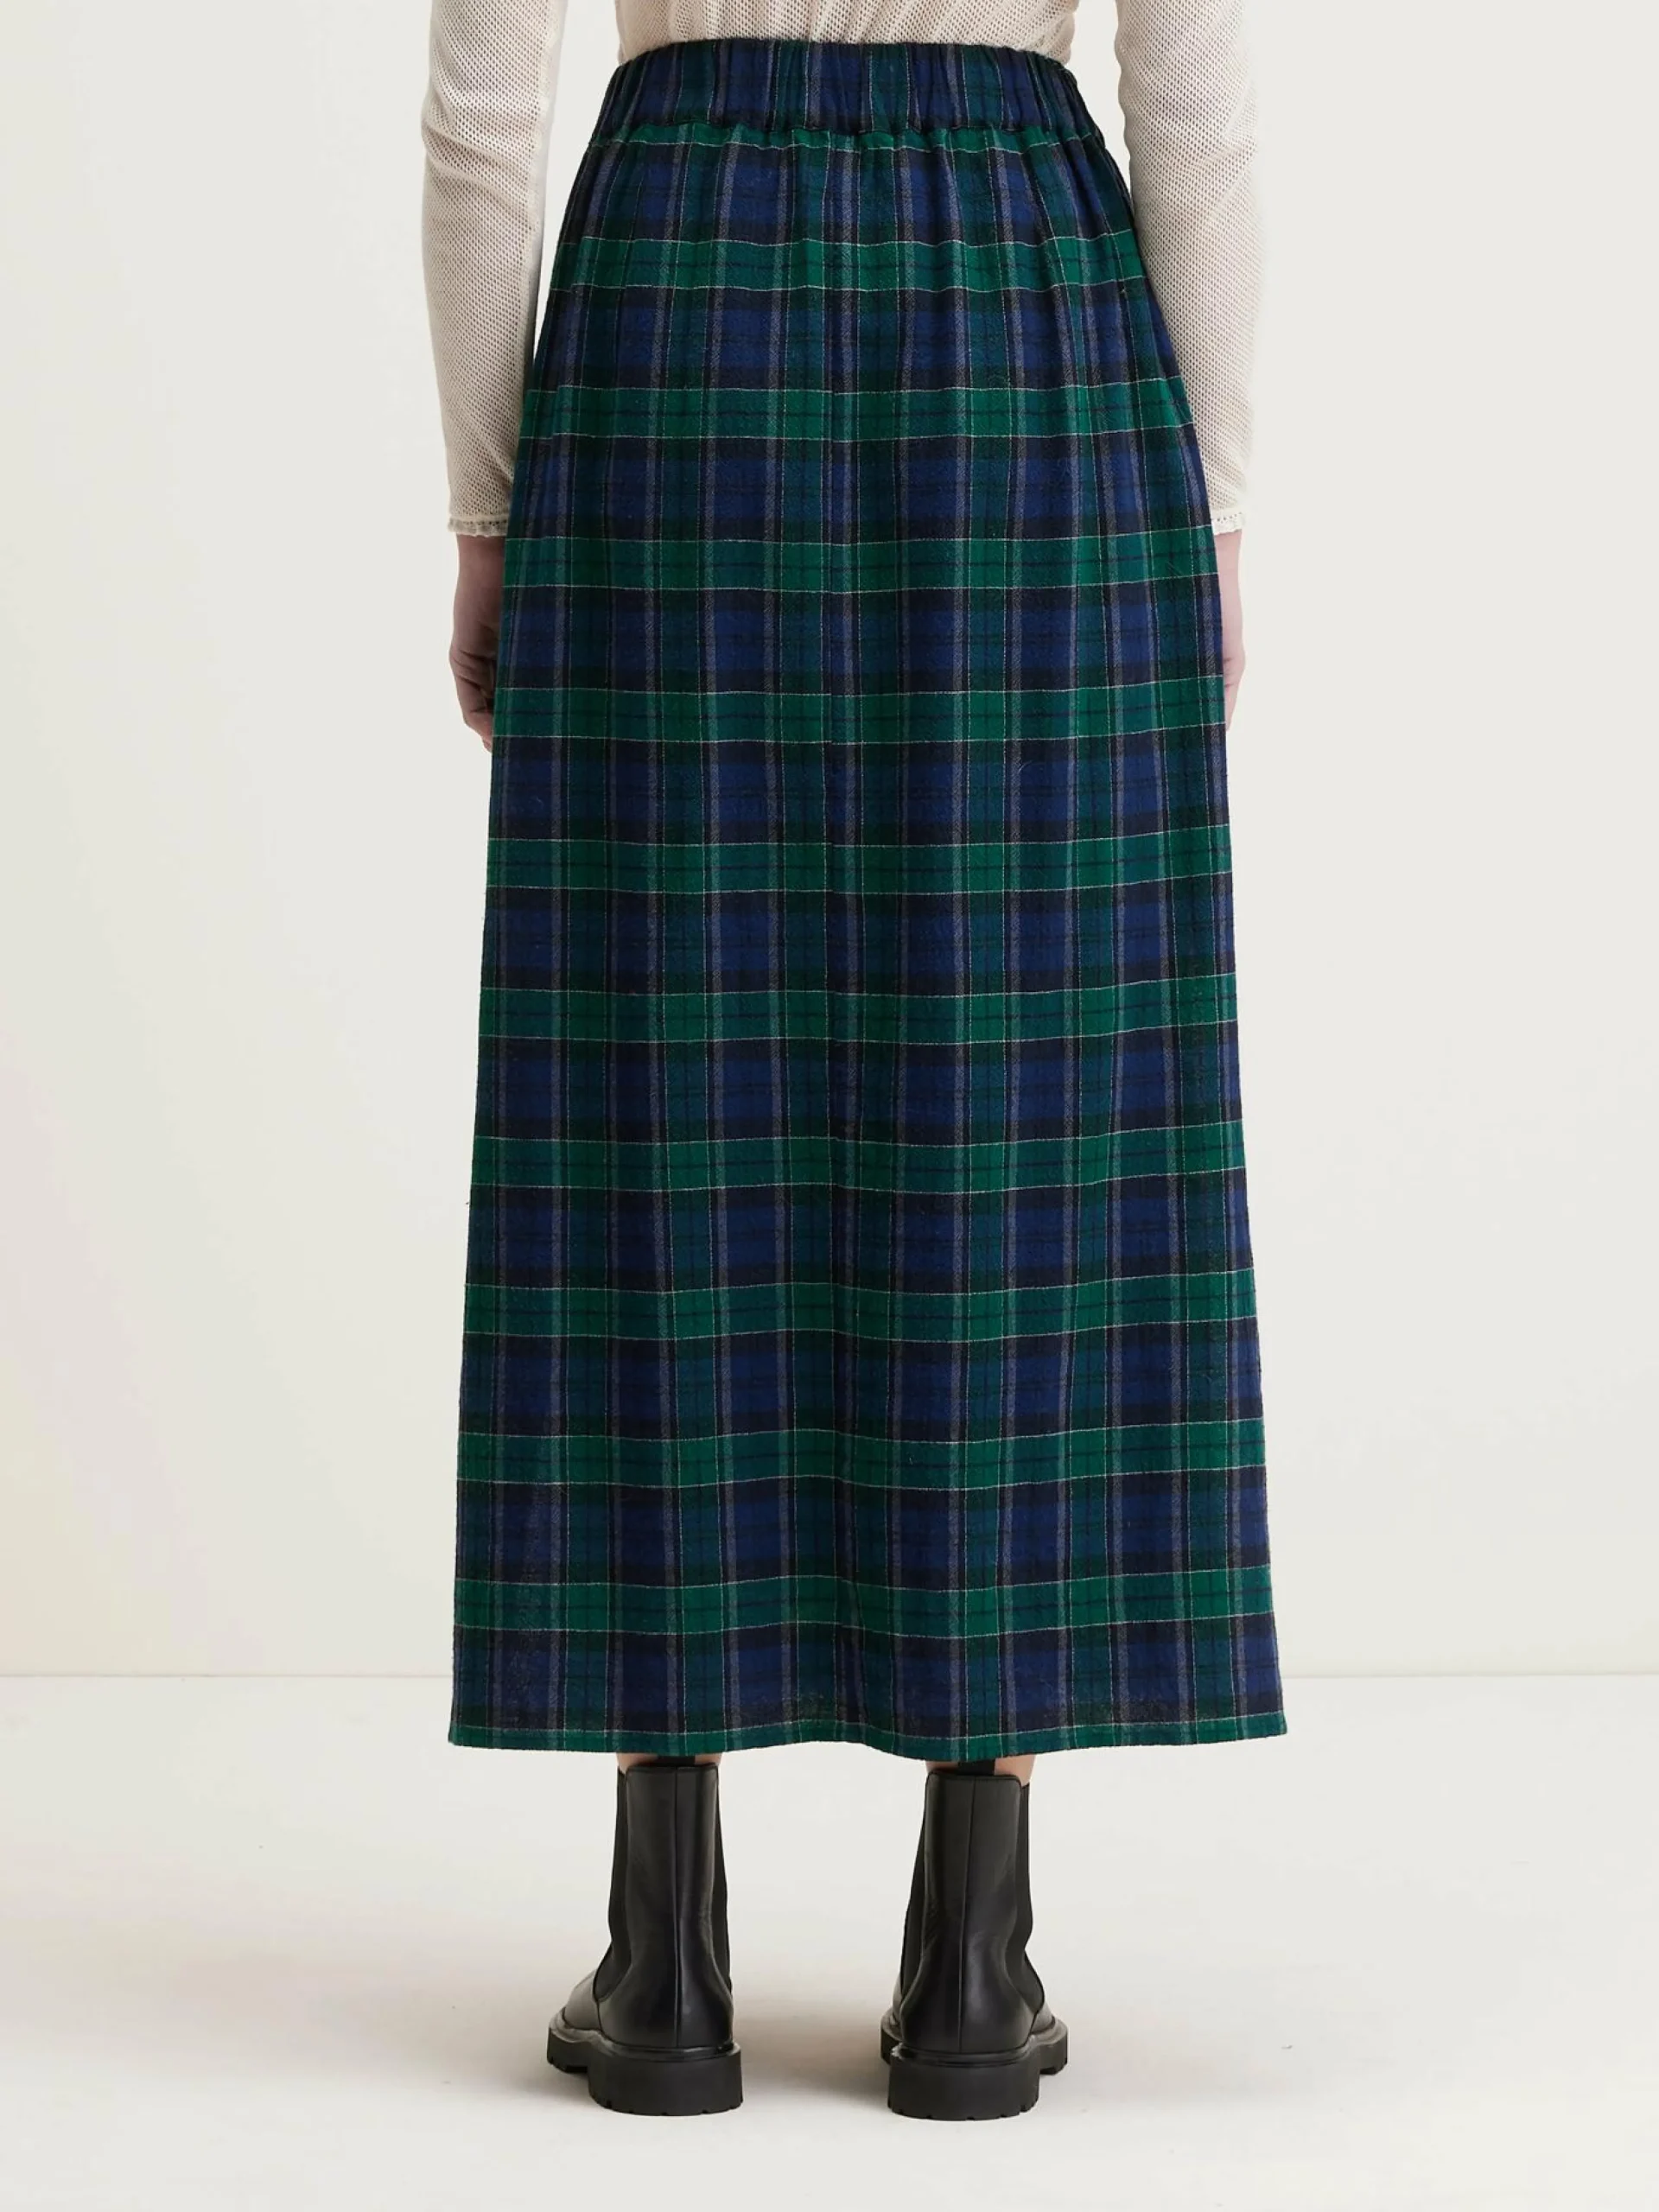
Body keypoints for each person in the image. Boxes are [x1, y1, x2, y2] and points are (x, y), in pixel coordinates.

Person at [420, 0, 1285, 2123]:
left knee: (655, 1080)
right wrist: (1211, 507)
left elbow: (482, 119)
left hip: (678, 303)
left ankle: (665, 1955)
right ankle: (972, 1958)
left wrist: (488, 508)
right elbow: (1194, 106)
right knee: (1011, 1086)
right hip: (1025, 316)